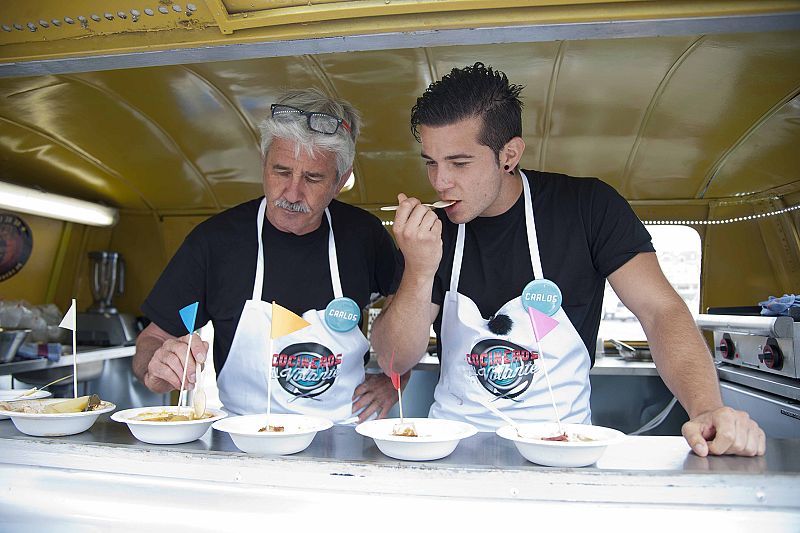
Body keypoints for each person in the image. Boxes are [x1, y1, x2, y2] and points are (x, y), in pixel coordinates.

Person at [370, 63, 765, 456]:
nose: (440, 182)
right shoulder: (429, 231)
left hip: (561, 448)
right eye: (430, 162)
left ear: (509, 154)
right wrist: (419, 271)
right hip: (453, 447)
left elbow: (661, 311)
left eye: (459, 163)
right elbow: (393, 360)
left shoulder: (588, 207)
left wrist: (708, 409)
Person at [134, 88, 402, 423]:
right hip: (245, 439)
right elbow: (153, 337)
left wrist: (397, 380)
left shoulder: (365, 235)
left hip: (344, 434)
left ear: (341, 180)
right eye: (281, 171)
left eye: (313, 178)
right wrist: (156, 366)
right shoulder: (215, 241)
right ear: (263, 163)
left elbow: (411, 307)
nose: (292, 192)